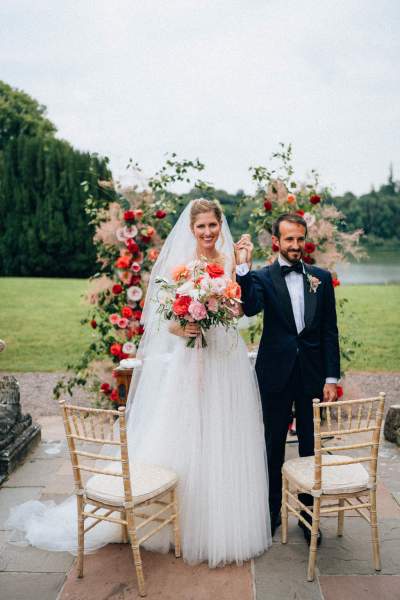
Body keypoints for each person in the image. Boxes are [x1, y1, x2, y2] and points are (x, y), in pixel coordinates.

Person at [7, 199, 271, 567]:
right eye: (202, 227)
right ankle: (175, 522)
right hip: (189, 360)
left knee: (224, 435)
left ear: (220, 225)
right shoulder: (180, 268)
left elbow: (241, 309)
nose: (208, 233)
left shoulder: (232, 260)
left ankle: (223, 525)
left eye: (213, 225)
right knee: (185, 435)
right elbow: (169, 323)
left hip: (224, 361)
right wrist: (188, 324)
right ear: (192, 230)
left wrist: (235, 281)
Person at [235, 213, 340, 545]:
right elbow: (250, 308)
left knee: (310, 449)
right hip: (274, 375)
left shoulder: (320, 278)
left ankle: (308, 519)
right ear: (277, 242)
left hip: (311, 378)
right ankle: (269, 514)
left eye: (300, 238)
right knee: (272, 446)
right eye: (289, 239)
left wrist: (331, 377)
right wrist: (243, 270)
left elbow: (329, 332)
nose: (296, 245)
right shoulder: (264, 277)